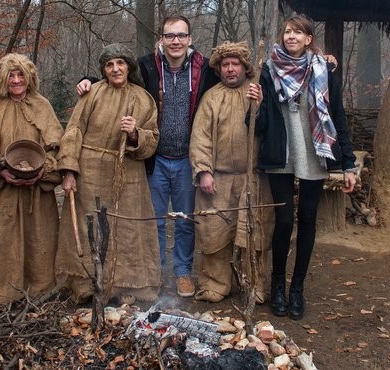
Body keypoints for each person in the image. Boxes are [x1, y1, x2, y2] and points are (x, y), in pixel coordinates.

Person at [76, 16, 220, 298]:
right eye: (170, 36)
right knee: (151, 220)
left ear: (190, 39)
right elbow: (117, 72)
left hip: (187, 158)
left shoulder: (205, 71)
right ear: (161, 40)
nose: (175, 41)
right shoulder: (146, 65)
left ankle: (182, 273)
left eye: (181, 36)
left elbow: (237, 73)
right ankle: (155, 271)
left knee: (185, 220)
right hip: (153, 159)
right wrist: (87, 80)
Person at [256, 15, 356, 320]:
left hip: (315, 150)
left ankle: (297, 287)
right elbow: (259, 123)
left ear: (308, 39)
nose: (291, 36)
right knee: (284, 220)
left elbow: (338, 117)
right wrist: (255, 104)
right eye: (287, 31)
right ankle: (277, 285)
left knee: (309, 219)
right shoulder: (267, 70)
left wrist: (348, 164)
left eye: (297, 32)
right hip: (281, 151)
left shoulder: (324, 70)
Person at [55, 43, 160, 305]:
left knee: (128, 228)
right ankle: (86, 283)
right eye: (109, 65)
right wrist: (69, 171)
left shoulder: (144, 99)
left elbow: (153, 140)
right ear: (103, 69)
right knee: (88, 225)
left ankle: (128, 286)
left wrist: (136, 133)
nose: (115, 69)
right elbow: (73, 131)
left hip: (129, 175)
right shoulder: (92, 94)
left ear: (129, 67)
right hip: (89, 173)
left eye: (120, 63)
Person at [0, 53, 64, 309]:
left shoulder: (42, 106)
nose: (16, 80)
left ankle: (39, 292)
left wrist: (42, 171)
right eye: (11, 75)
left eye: (21, 74)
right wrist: (0, 168)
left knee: (39, 240)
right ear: (2, 79)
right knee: (1, 242)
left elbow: (57, 147)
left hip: (37, 193)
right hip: (3, 193)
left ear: (30, 76)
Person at [189, 41, 273, 303]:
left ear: (245, 67)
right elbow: (200, 137)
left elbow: (270, 129)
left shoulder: (257, 92)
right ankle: (215, 283)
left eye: (235, 64)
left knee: (254, 234)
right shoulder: (212, 97)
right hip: (219, 178)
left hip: (253, 177)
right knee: (213, 234)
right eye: (225, 64)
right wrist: (204, 171)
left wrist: (259, 106)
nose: (230, 69)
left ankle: (254, 285)